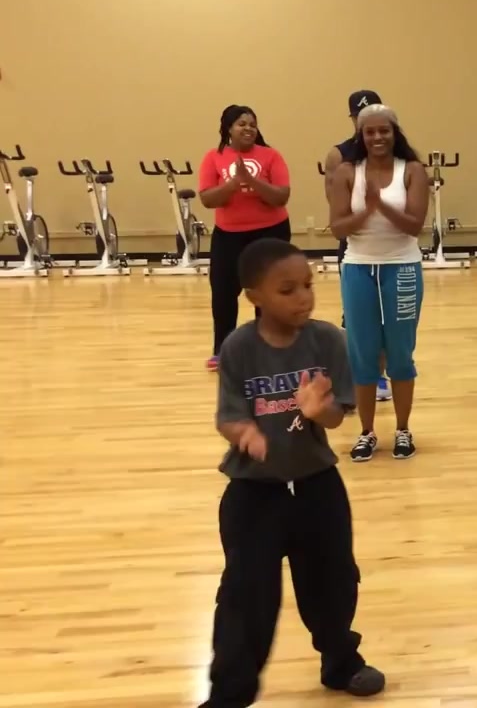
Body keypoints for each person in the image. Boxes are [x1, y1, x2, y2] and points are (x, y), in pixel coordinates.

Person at [201, 238, 384, 707]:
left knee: (334, 582)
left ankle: (341, 661)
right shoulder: (239, 347)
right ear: (254, 296)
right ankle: (229, 693)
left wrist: (321, 411)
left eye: (308, 285)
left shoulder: (328, 341)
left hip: (316, 483)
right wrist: (246, 433)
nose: (303, 297)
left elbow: (337, 417)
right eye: (287, 290)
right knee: (245, 595)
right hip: (253, 493)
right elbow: (227, 416)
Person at [327, 104, 429, 462]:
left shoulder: (412, 170)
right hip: (359, 268)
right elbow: (338, 228)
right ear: (361, 136)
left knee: (400, 351)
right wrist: (368, 210)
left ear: (394, 132)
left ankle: (402, 429)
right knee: (362, 352)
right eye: (369, 132)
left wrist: (379, 205)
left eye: (383, 130)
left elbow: (414, 225)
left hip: (401, 267)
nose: (377, 137)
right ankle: (367, 432)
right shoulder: (347, 172)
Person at [199, 105, 292, 372]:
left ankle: (269, 349)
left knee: (269, 291)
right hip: (228, 236)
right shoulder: (214, 157)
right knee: (223, 293)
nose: (248, 128)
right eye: (241, 124)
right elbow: (207, 199)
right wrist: (233, 184)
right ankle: (223, 350)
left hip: (270, 232)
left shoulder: (271, 156)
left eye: (252, 124)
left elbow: (281, 196)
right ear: (228, 128)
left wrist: (251, 180)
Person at [324, 89, 393, 402]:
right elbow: (335, 204)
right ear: (352, 119)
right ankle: (357, 373)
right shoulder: (338, 155)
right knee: (357, 312)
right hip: (356, 243)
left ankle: (379, 374)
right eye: (361, 116)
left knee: (385, 313)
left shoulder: (396, 153)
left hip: (391, 244)